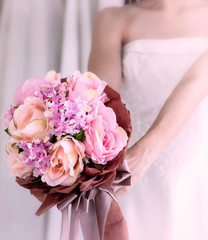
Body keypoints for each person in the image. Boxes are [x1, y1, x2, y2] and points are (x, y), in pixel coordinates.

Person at [88, 0, 208, 239]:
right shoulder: (112, 19)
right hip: (132, 179)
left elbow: (196, 83)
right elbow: (102, 108)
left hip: (197, 172)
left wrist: (144, 154)